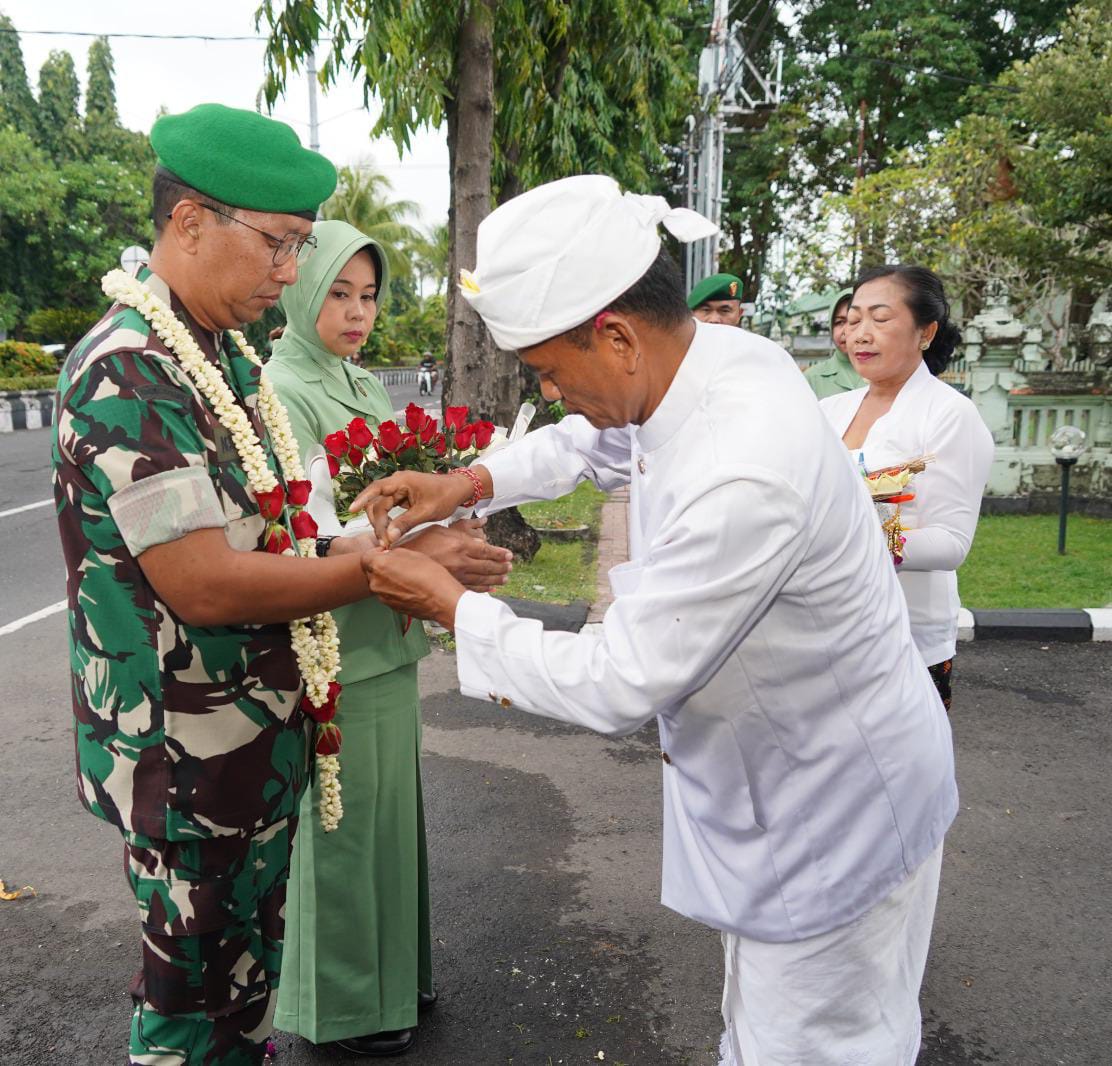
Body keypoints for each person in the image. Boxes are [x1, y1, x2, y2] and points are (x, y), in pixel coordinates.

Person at [353, 175, 958, 1066]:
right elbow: (594, 439)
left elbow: (619, 680)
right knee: (769, 1033)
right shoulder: (710, 363)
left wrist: (453, 607)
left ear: (618, 336)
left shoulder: (742, 472)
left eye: (553, 373)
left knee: (820, 1049)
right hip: (794, 777)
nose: (553, 394)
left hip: (830, 812)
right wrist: (471, 482)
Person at [50, 103, 509, 1066]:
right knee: (189, 1011)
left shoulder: (220, 357)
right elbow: (209, 583)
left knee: (243, 999)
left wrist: (391, 534)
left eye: (299, 247)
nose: (290, 274)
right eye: (280, 245)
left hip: (252, 746)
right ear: (189, 224)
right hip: (185, 761)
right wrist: (394, 567)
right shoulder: (131, 374)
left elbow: (278, 530)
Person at [264, 220, 511, 1056]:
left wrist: (451, 530)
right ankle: (343, 1008)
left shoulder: (360, 387)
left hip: (387, 627)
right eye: (337, 292)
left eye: (368, 296)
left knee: (386, 818)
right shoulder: (281, 387)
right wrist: (420, 549)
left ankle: (392, 983)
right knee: (343, 823)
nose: (356, 311)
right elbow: (306, 527)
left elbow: (405, 501)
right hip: (337, 633)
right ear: (298, 289)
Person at [819, 265, 994, 711]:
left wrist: (846, 539)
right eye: (852, 319)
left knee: (897, 777)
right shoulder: (827, 411)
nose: (860, 333)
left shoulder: (949, 415)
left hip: (906, 640)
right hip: (824, 634)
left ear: (925, 332)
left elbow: (950, 543)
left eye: (880, 319)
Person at [803, 287, 864, 399]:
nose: (846, 331)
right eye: (839, 322)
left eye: (854, 321)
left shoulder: (887, 375)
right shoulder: (812, 378)